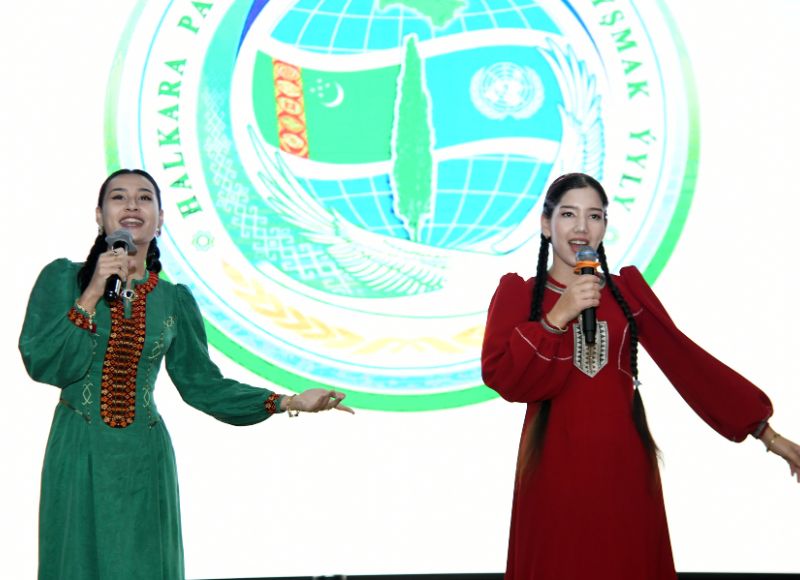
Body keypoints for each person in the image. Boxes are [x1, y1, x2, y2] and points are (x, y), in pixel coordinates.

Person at [19, 169, 354, 580]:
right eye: (118, 197)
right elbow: (45, 362)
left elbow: (202, 385)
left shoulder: (174, 300)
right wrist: (91, 293)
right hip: (79, 451)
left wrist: (287, 401)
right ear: (99, 216)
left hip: (144, 460)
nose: (132, 205)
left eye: (145, 198)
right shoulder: (62, 279)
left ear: (160, 219)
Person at [481, 173, 800, 580]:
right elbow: (507, 379)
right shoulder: (520, 295)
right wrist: (557, 316)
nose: (582, 228)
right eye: (568, 214)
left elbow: (687, 362)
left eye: (594, 216)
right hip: (553, 473)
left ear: (604, 227)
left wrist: (766, 434)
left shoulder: (625, 293)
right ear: (546, 224)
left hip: (625, 470)